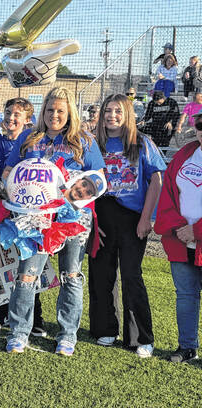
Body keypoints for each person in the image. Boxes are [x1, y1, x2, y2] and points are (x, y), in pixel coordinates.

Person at [2, 86, 105, 356]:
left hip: (74, 219)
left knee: (71, 275)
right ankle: (18, 333)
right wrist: (15, 190)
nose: (54, 115)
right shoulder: (29, 137)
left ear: (69, 111)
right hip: (35, 219)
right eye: (50, 110)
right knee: (26, 275)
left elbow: (98, 179)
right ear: (42, 111)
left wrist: (73, 196)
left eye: (60, 110)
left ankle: (67, 335)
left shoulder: (84, 140)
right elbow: (9, 170)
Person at [89, 94, 165, 358]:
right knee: (101, 273)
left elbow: (156, 180)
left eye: (118, 111)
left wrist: (147, 218)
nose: (112, 115)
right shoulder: (93, 143)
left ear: (128, 114)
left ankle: (141, 337)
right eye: (107, 110)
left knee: (132, 275)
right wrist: (89, 219)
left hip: (132, 216)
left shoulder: (142, 142)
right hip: (100, 215)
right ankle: (105, 328)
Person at [0, 98, 47, 336]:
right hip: (0, 208)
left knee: (29, 263)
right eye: (8, 113)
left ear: (28, 119)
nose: (11, 118)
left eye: (17, 114)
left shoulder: (33, 143)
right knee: (1, 260)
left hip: (27, 211)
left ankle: (35, 315)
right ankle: (1, 312)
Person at [155, 107, 202, 363]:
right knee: (185, 296)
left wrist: (196, 230)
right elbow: (168, 196)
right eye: (201, 125)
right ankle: (187, 347)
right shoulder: (186, 154)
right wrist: (180, 229)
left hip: (196, 235)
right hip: (180, 240)